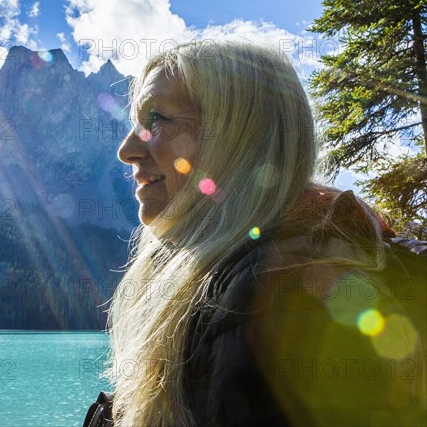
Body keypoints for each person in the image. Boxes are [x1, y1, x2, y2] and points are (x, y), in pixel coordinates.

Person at [87, 40, 426, 426]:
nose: (127, 149)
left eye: (158, 120)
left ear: (238, 137)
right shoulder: (250, 275)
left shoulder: (278, 297)